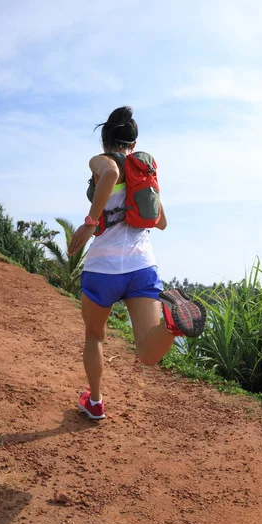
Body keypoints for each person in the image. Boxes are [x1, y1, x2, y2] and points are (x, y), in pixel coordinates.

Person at [68, 106, 206, 420]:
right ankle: (172, 325)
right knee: (146, 352)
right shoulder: (144, 173)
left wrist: (91, 223)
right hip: (142, 266)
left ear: (106, 140)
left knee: (94, 336)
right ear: (133, 142)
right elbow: (161, 222)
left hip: (103, 267)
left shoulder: (102, 161)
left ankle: (96, 401)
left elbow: (111, 174)